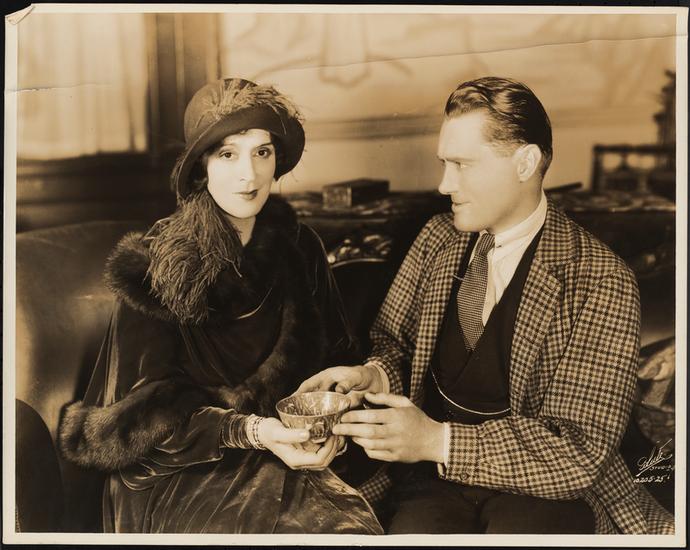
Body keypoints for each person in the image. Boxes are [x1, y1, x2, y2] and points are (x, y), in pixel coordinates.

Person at [298, 76, 675, 534]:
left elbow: (579, 451)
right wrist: (373, 376)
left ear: (525, 163)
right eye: (444, 163)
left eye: (462, 165)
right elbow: (397, 347)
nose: (444, 184)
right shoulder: (436, 239)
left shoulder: (601, 279)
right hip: (432, 482)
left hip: (546, 492)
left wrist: (437, 440)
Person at [57, 78, 382, 534]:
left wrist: (334, 423)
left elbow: (337, 361)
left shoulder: (300, 246)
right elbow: (144, 419)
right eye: (228, 154)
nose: (249, 174)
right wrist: (254, 432)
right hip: (179, 470)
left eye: (262, 152)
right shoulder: (156, 263)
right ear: (201, 168)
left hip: (285, 453)